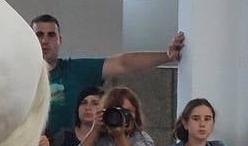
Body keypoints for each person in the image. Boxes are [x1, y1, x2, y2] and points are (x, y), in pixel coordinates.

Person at [33, 14, 185, 137]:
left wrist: (167, 56)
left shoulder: (76, 70)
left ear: (60, 40)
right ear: (29, 39)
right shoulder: (17, 77)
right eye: (39, 35)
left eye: (51, 35)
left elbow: (123, 63)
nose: (45, 41)